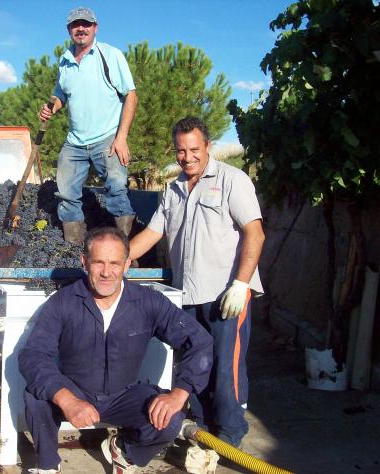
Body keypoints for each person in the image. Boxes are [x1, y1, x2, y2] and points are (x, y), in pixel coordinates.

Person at [19, 227, 213, 473]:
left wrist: (179, 393)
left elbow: (199, 341)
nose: (106, 272)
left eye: (114, 263)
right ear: (85, 262)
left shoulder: (148, 302)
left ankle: (124, 450)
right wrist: (67, 399)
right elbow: (33, 355)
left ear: (127, 265)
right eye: (98, 262)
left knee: (171, 417)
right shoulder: (63, 302)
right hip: (75, 389)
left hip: (123, 396)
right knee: (36, 394)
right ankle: (48, 465)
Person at [129, 116, 265, 448]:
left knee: (225, 370)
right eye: (180, 150)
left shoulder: (232, 180)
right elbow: (153, 232)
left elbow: (255, 233)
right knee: (194, 366)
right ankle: (203, 431)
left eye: (194, 149)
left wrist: (241, 284)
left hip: (225, 295)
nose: (187, 157)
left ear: (207, 146)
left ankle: (230, 435)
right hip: (187, 295)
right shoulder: (173, 189)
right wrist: (117, 260)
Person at [39, 6, 138, 243]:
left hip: (107, 138)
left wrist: (121, 138)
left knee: (117, 191)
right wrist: (52, 106)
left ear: (95, 28)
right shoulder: (65, 61)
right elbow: (61, 94)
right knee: (66, 195)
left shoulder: (110, 55)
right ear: (69, 29)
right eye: (76, 25)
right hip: (75, 142)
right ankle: (72, 249)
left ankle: (127, 249)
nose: (81, 28)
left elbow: (131, 96)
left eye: (86, 24)